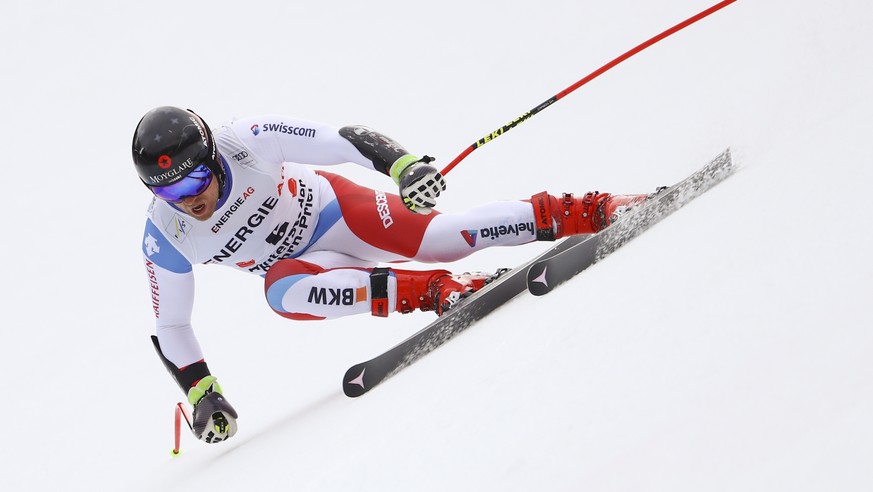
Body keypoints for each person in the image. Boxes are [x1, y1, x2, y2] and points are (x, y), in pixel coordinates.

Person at [133, 106, 650, 444]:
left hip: (344, 214)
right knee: (283, 292)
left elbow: (342, 139)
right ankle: (441, 291)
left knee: (447, 237)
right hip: (310, 268)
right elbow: (172, 325)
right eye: (169, 193)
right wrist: (201, 392)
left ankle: (597, 210)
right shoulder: (167, 234)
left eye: (195, 180)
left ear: (212, 160)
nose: (190, 200)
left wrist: (404, 168)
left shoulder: (243, 141)